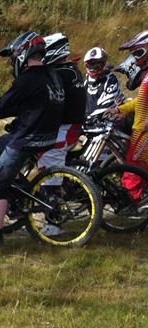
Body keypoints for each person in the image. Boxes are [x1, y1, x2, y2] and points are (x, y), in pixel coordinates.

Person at [0, 32, 64, 248]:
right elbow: (29, 104)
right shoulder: (52, 77)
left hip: (27, 139)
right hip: (47, 137)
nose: (12, 61)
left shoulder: (26, 80)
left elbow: (3, 104)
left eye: (12, 57)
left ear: (22, 53)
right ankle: (18, 188)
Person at [38, 33, 86, 174]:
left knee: (50, 177)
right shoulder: (72, 70)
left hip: (63, 131)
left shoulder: (59, 74)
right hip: (72, 128)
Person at [112, 32, 148, 203]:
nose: (134, 59)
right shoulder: (146, 77)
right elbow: (140, 102)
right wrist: (120, 109)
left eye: (137, 53)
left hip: (144, 131)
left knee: (133, 168)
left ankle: (133, 204)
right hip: (139, 129)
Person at [83, 46, 124, 122]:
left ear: (103, 64)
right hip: (87, 120)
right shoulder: (86, 79)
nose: (93, 69)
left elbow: (108, 102)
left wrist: (90, 118)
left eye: (97, 66)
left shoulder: (110, 79)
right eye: (90, 66)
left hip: (106, 119)